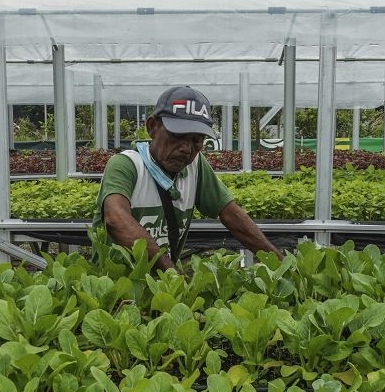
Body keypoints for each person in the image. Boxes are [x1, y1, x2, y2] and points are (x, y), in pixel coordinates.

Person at [95, 85, 285, 272]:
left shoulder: (195, 165)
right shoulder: (126, 165)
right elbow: (115, 219)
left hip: (163, 287)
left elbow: (231, 215)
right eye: (177, 135)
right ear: (152, 127)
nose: (186, 148)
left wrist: (282, 265)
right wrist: (170, 273)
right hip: (115, 290)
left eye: (196, 140)